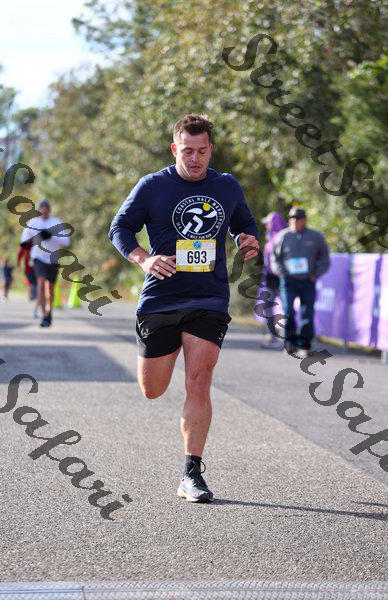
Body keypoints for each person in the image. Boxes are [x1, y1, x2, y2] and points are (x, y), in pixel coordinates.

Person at [109, 114, 259, 503]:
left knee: (200, 379)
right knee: (152, 389)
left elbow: (243, 223)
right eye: (188, 151)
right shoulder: (153, 186)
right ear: (175, 149)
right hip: (161, 298)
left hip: (208, 298)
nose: (195, 159)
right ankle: (163, 355)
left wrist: (246, 239)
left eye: (202, 151)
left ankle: (191, 472)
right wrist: (144, 259)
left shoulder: (226, 186)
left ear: (211, 150)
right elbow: (119, 229)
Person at [272, 206, 330, 357]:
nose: (295, 221)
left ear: (304, 220)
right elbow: (274, 258)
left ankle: (304, 346)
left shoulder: (315, 236)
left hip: (307, 281)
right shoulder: (283, 236)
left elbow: (325, 259)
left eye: (298, 219)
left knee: (307, 313)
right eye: (292, 218)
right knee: (288, 311)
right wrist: (281, 272)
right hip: (288, 281)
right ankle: (289, 343)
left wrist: (315, 274)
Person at [20, 199, 70, 327]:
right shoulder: (33, 223)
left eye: (46, 210)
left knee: (50, 288)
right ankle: (44, 315)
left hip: (53, 259)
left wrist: (51, 235)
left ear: (49, 210)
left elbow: (66, 241)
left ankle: (49, 312)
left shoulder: (56, 222)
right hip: (38, 258)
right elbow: (24, 242)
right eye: (41, 210)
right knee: (41, 284)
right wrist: (37, 237)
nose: (44, 212)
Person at [260, 211, 287, 349]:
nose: (266, 226)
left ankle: (288, 338)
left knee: (287, 308)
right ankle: (273, 337)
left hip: (283, 278)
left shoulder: (284, 237)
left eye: (268, 223)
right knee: (268, 308)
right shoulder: (270, 237)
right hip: (271, 279)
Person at [17, 240, 38, 316]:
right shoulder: (26, 244)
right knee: (31, 284)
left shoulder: (39, 241)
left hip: (39, 269)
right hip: (28, 270)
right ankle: (31, 295)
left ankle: (36, 307)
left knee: (38, 287)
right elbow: (19, 254)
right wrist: (18, 265)